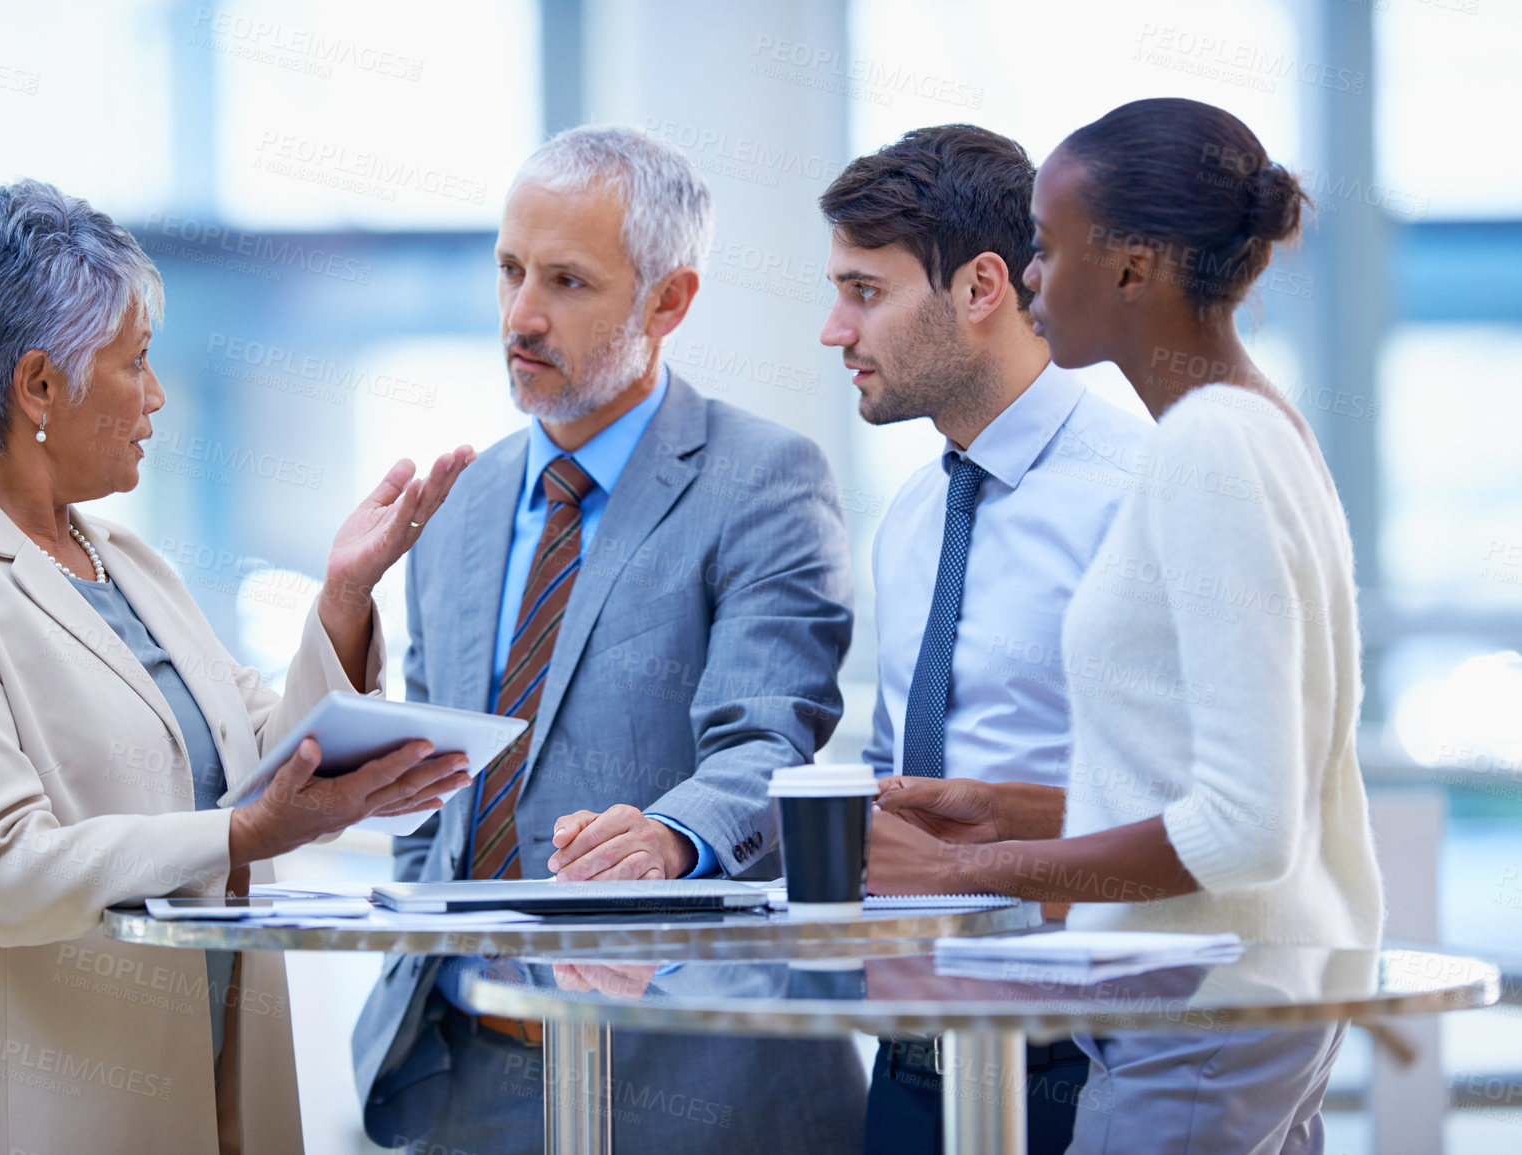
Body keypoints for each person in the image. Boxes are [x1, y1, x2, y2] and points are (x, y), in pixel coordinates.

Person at [0, 180, 474, 1155]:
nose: (156, 395)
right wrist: (243, 832)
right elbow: (3, 869)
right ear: (38, 386)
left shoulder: (125, 562)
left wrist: (343, 597)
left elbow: (259, 747)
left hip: (187, 1089)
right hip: (5, 1109)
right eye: (135, 363)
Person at [872, 98, 1385, 1152]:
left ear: (1133, 268)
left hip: (1202, 1002)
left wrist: (968, 876)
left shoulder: (1210, 450)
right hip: (1240, 996)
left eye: (1048, 250)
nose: (1028, 280)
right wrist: (1005, 810)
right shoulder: (1250, 428)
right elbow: (1210, 777)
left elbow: (1242, 827)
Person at [352, 125, 865, 1154]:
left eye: (569, 283)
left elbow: (770, 743)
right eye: (509, 272)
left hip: (690, 1076)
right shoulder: (459, 501)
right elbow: (431, 784)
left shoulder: (762, 480)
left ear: (668, 301)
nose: (521, 316)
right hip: (463, 1068)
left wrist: (673, 835)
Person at [821, 125, 1152, 1155]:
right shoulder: (914, 516)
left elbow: (1197, 815)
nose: (835, 329)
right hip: (914, 1051)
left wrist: (991, 863)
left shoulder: (1138, 497)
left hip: (1085, 1056)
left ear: (980, 288)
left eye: (865, 292)